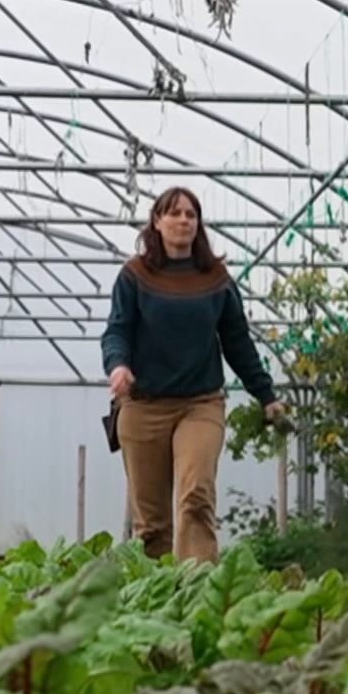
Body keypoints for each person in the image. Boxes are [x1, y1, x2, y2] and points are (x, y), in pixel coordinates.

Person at [100, 187, 285, 563]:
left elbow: (237, 343)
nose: (183, 220)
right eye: (174, 213)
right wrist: (118, 365)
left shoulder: (215, 279)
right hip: (143, 406)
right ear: (157, 221)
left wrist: (266, 395)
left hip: (200, 404)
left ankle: (198, 583)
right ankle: (155, 590)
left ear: (198, 224)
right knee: (151, 524)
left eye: (191, 214)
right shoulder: (135, 275)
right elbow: (117, 329)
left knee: (196, 495)